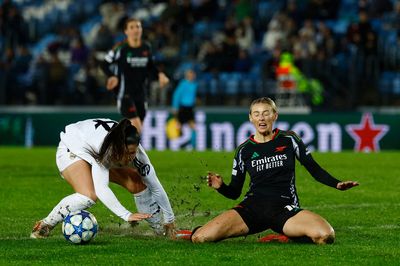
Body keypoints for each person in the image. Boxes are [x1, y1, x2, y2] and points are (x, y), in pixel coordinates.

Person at [191, 97, 359, 244]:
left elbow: (314, 169)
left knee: (325, 236)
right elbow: (235, 192)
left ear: (275, 115)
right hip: (252, 208)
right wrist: (221, 186)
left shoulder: (289, 139)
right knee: (200, 238)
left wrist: (336, 184)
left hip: (284, 208)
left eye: (266, 113)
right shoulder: (244, 150)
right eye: (256, 114)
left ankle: (287, 234)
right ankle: (194, 231)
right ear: (250, 118)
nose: (261, 118)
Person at [30, 118, 176, 239]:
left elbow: (155, 186)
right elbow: (101, 188)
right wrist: (126, 215)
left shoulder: (138, 155)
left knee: (136, 183)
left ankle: (161, 232)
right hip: (72, 149)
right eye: (128, 152)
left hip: (91, 147)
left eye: (134, 152)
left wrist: (169, 219)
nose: (131, 157)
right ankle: (45, 225)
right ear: (119, 148)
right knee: (89, 196)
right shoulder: (105, 151)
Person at [100, 18, 170, 132]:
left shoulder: (146, 47)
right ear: (126, 31)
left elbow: (151, 67)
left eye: (138, 26)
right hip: (125, 94)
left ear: (141, 29)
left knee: (136, 131)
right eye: (132, 27)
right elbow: (104, 64)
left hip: (141, 94)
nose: (135, 30)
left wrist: (160, 75)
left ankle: (118, 145)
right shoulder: (120, 48)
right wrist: (111, 76)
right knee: (136, 126)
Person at [171, 68, 197, 148]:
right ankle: (176, 144)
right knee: (179, 126)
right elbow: (176, 95)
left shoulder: (194, 85)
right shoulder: (183, 84)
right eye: (191, 74)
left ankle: (193, 145)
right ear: (188, 75)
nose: (193, 76)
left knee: (193, 126)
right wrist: (175, 107)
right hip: (183, 107)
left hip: (190, 108)